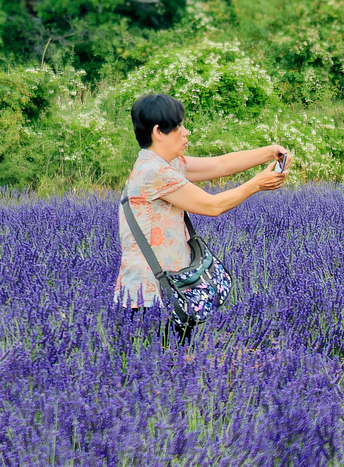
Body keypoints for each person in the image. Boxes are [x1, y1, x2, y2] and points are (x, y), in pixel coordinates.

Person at [114, 92, 289, 341]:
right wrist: (257, 184)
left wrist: (270, 152)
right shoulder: (153, 172)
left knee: (170, 368)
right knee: (158, 369)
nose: (186, 132)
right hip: (150, 294)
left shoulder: (166, 164)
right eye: (179, 126)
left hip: (171, 288)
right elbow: (213, 206)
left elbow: (220, 166)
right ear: (158, 132)